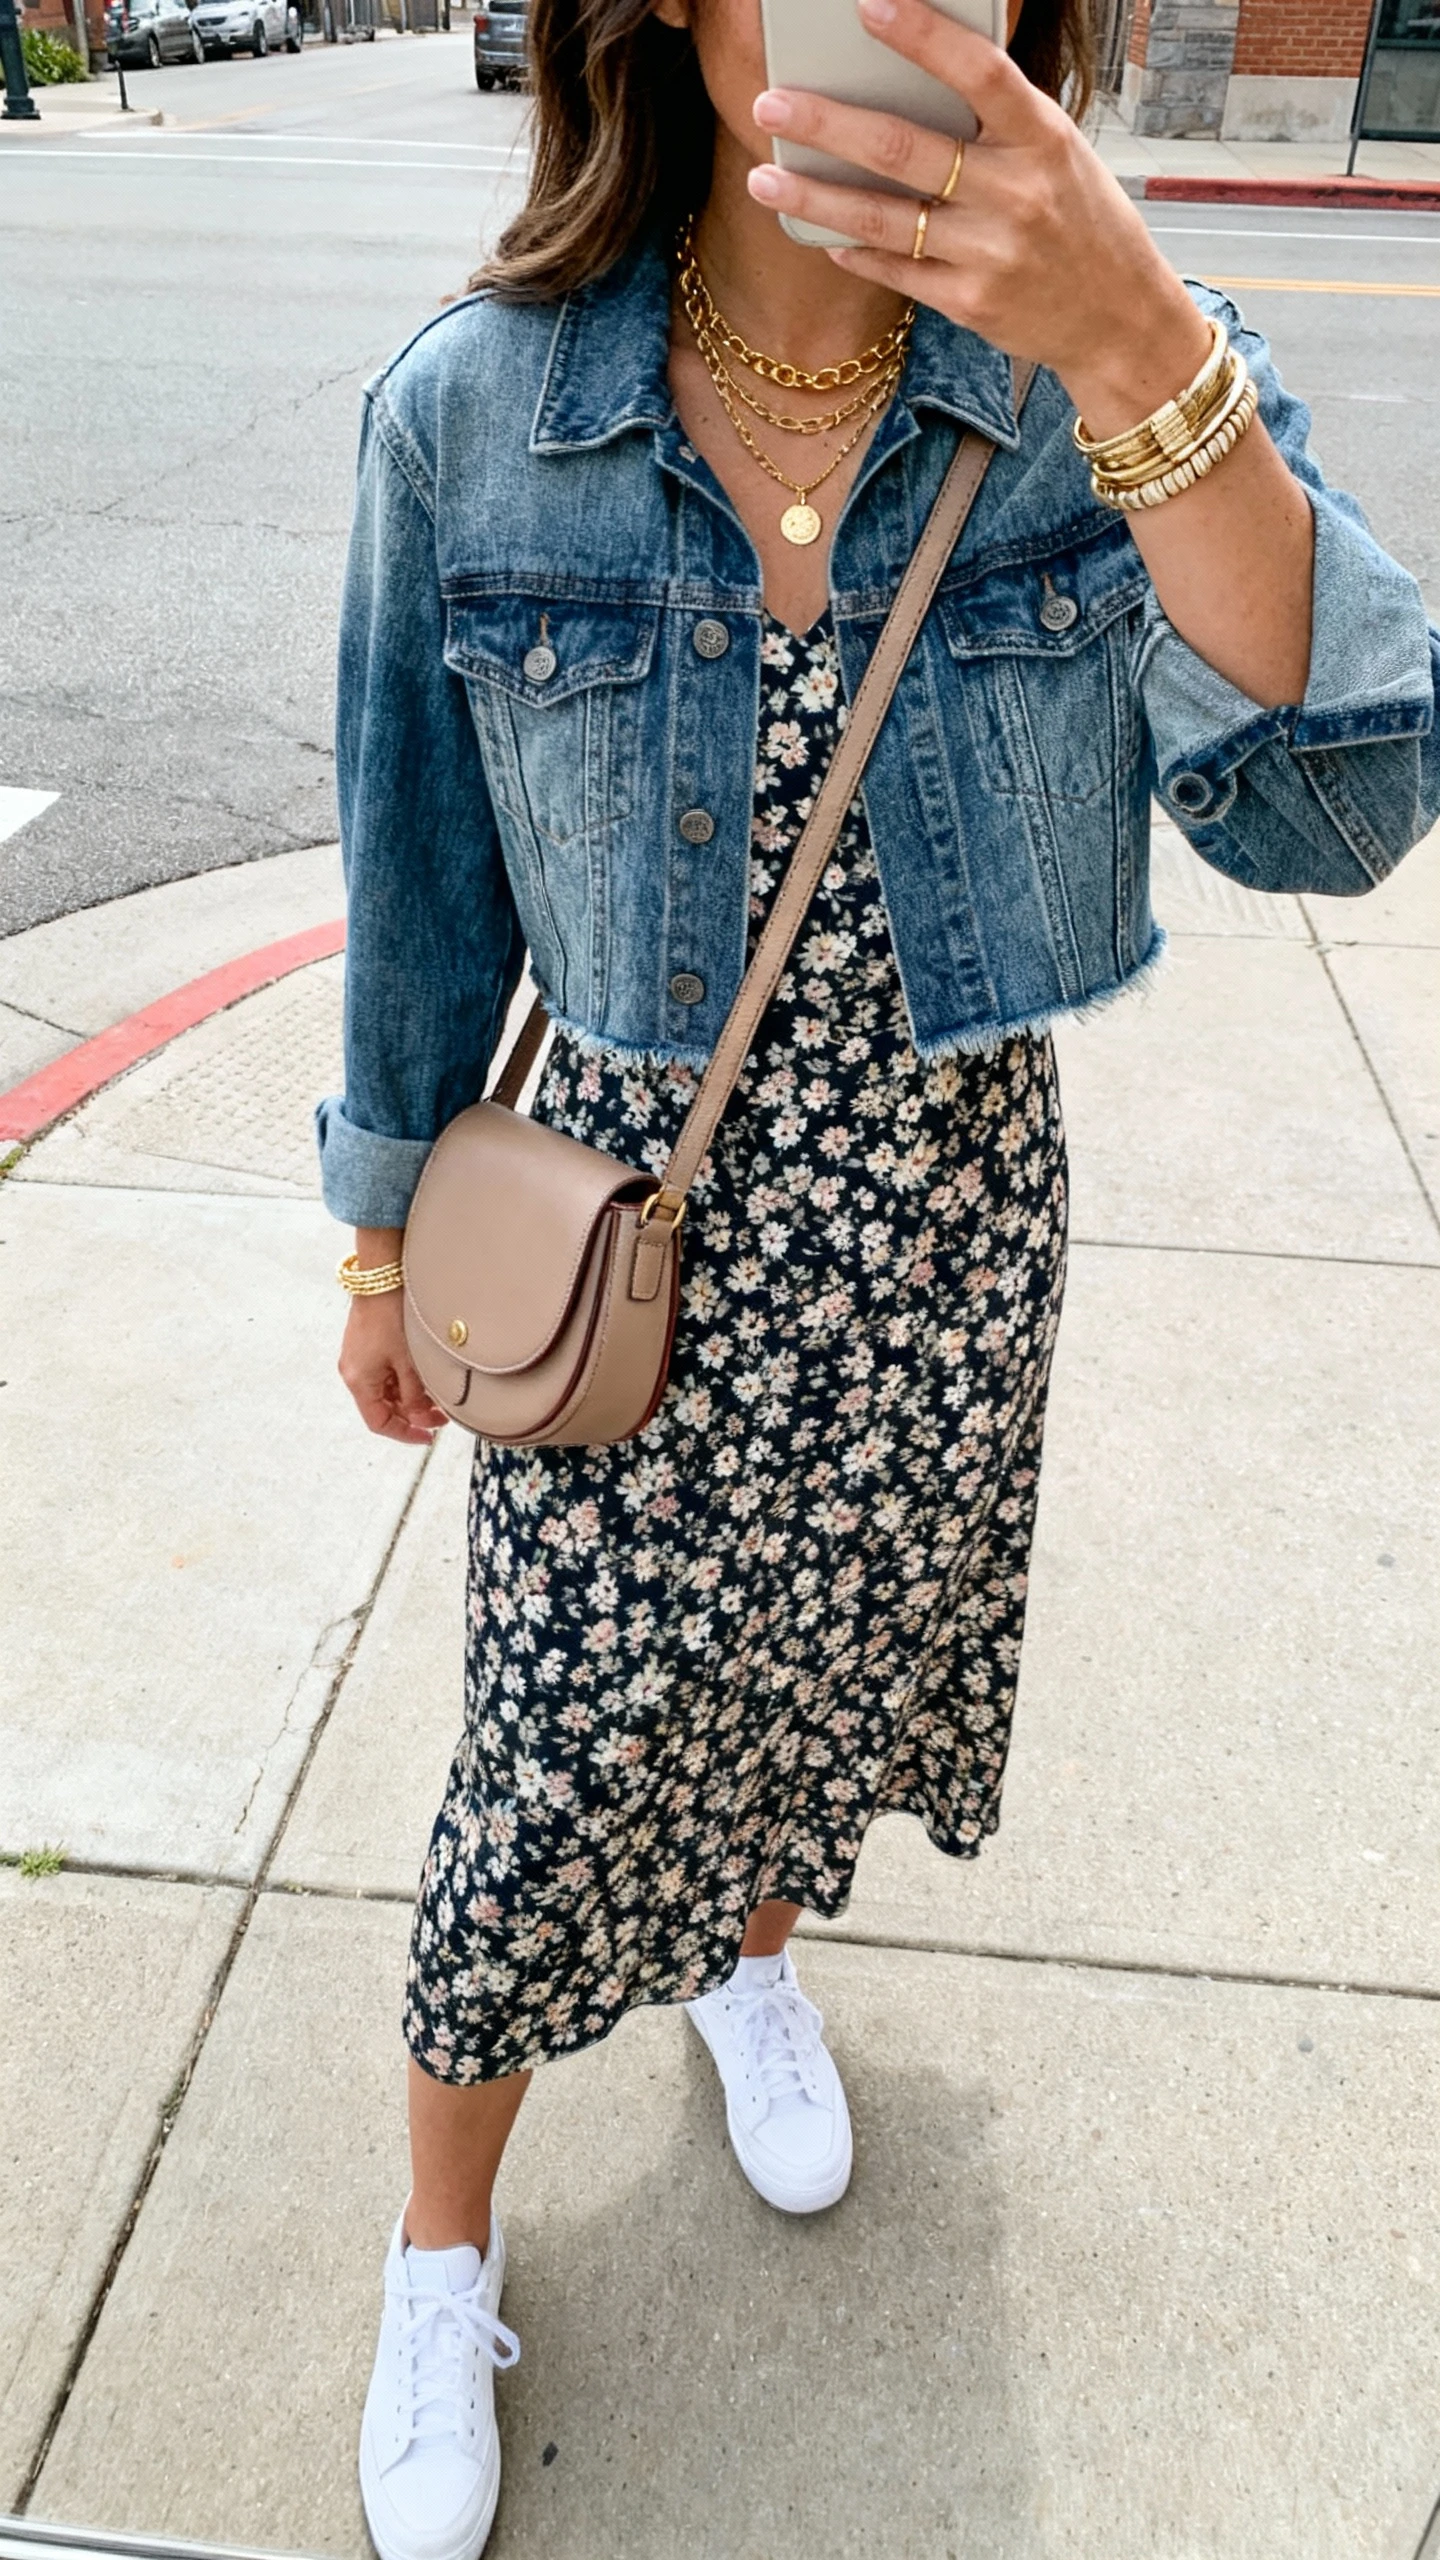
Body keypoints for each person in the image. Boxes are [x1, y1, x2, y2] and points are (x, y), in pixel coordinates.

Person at [316, 0, 1440, 2544]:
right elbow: (419, 874)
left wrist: (1146, 337)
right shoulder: (475, 414)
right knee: (543, 1772)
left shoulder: (1086, 386)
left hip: (938, 1233)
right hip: (626, 1257)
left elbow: (1342, 788)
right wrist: (382, 1228)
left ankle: (748, 1950)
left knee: (826, 1686)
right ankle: (436, 2240)